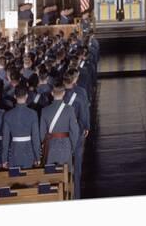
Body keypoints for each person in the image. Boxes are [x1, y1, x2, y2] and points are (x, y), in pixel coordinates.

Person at [40, 81, 79, 170]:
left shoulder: (44, 110)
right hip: (66, 145)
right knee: (66, 175)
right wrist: (72, 146)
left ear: (52, 93)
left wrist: (45, 143)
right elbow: (74, 131)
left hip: (50, 147)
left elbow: (42, 133)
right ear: (64, 93)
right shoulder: (70, 109)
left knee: (51, 174)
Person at [63, 69, 90, 198]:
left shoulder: (58, 94)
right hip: (76, 131)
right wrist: (86, 127)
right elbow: (84, 114)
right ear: (74, 80)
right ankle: (76, 195)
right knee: (77, 166)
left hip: (60, 133)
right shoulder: (80, 94)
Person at [2, 84, 41, 169]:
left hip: (14, 151)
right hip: (29, 151)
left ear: (15, 96)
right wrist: (37, 157)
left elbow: (5, 139)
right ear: (27, 96)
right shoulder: (33, 114)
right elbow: (35, 138)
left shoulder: (8, 115)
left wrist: (4, 159)